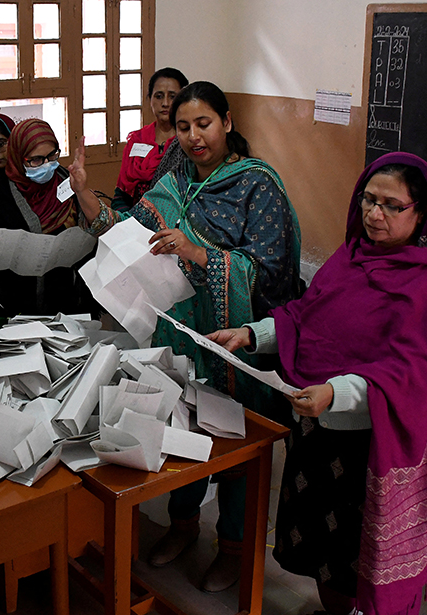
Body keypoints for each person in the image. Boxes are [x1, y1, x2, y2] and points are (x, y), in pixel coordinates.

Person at [208, 153, 427, 615]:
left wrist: (337, 393)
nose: (374, 214)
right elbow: (303, 317)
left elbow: (412, 377)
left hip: (373, 448)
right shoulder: (349, 258)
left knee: (357, 554)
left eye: (393, 205)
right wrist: (253, 334)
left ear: (421, 211)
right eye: (369, 199)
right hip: (315, 430)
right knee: (322, 550)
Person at [68, 81, 302, 591]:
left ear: (227, 122)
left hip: (237, 342)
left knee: (237, 442)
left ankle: (234, 547)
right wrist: (84, 190)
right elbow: (126, 230)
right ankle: (182, 526)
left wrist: (198, 254)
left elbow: (274, 272)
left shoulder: (256, 186)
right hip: (181, 338)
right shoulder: (174, 182)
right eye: (183, 126)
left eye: (204, 124)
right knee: (183, 431)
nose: (195, 136)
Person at [0, 118, 94, 316]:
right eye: (35, 159)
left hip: (70, 301)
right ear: (18, 157)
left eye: (52, 156)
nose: (46, 165)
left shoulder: (68, 182)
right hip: (18, 309)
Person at [112, 68, 189, 212]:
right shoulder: (137, 140)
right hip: (132, 219)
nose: (165, 103)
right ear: (150, 100)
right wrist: (127, 221)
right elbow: (120, 194)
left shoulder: (188, 142)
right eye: (159, 96)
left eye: (172, 96)